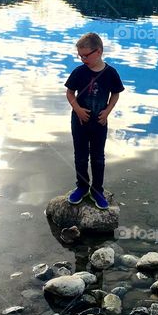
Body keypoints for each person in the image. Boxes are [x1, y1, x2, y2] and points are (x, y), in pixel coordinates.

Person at [65, 32, 124, 209]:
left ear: (98, 52)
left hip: (99, 123)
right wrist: (77, 109)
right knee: (81, 156)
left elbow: (116, 93)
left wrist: (107, 111)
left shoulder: (110, 73)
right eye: (80, 56)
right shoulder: (79, 72)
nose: (83, 59)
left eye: (86, 55)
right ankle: (82, 187)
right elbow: (70, 93)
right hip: (80, 122)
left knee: (98, 157)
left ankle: (97, 190)